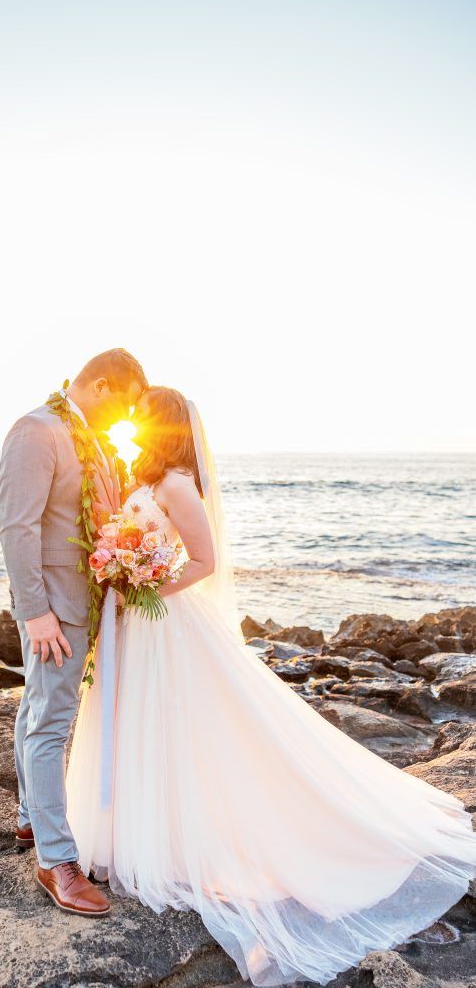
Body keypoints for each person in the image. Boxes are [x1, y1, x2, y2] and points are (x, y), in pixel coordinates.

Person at [65, 386, 476, 984]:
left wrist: (146, 587)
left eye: (144, 418)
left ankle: (195, 837)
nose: (137, 426)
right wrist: (121, 573)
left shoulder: (178, 484)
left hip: (165, 624)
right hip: (137, 623)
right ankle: (142, 829)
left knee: (188, 729)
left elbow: (201, 562)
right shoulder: (151, 483)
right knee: (141, 726)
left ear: (165, 426)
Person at [0, 348, 147, 916]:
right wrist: (34, 611)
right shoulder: (37, 431)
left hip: (83, 603)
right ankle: (56, 859)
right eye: (124, 407)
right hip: (53, 609)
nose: (125, 420)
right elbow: (17, 526)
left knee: (37, 706)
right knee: (52, 723)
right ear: (102, 386)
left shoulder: (90, 437)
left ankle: (31, 820)